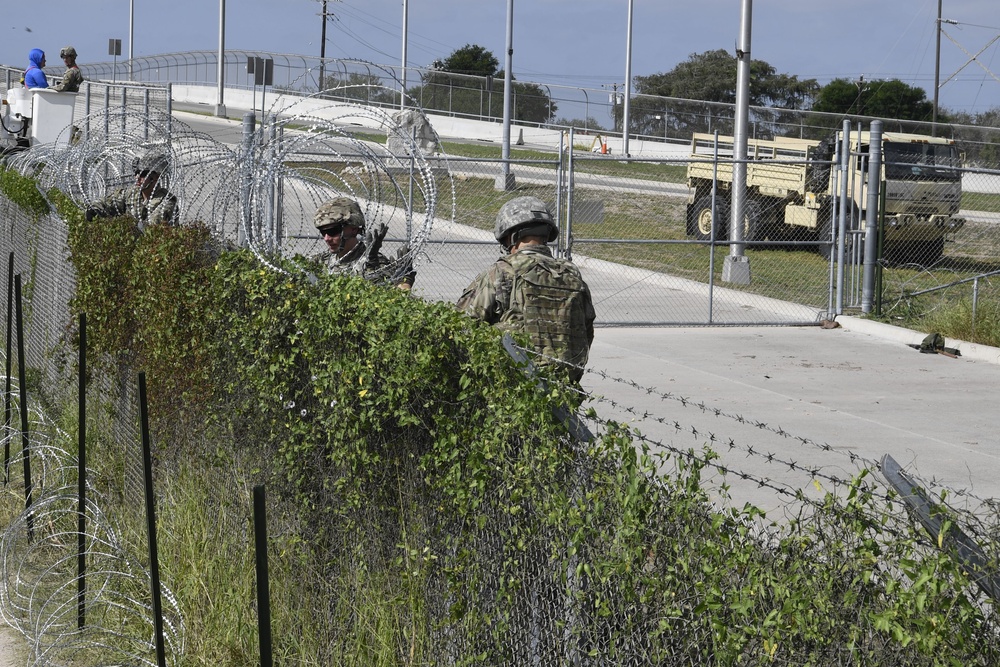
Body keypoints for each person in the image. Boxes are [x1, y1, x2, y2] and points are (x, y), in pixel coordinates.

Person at [457, 196, 595, 383]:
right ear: (545, 235)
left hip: (513, 390)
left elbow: (459, 327)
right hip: (563, 390)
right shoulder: (571, 275)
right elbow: (586, 333)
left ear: (511, 237)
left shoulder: (502, 272)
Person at [312, 196, 415, 290]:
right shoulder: (320, 262)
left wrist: (372, 270)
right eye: (323, 232)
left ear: (354, 229)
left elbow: (391, 300)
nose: (326, 238)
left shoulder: (376, 262)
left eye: (332, 231)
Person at [85, 151, 178, 231]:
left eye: (142, 174)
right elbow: (110, 202)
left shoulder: (167, 201)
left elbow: (150, 227)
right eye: (136, 172)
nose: (137, 177)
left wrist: (120, 225)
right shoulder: (131, 194)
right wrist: (95, 209)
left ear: (156, 177)